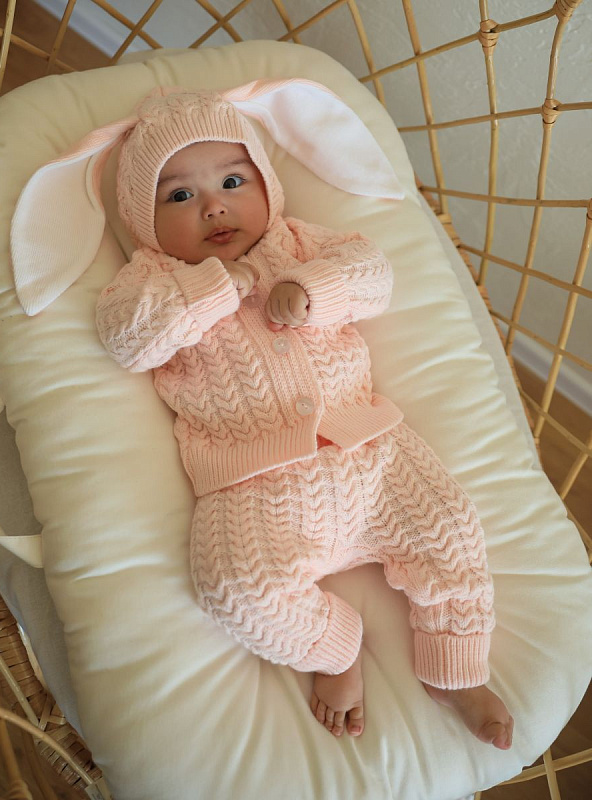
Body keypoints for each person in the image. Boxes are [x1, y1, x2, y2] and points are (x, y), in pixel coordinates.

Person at [88, 86, 513, 748]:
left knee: (451, 535)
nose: (213, 206)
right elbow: (128, 338)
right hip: (253, 487)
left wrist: (314, 288)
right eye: (179, 195)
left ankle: (453, 669)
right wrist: (210, 289)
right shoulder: (152, 278)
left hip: (370, 453)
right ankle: (336, 650)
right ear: (143, 220)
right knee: (234, 590)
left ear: (266, 183)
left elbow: (371, 272)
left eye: (233, 181)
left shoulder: (296, 242)